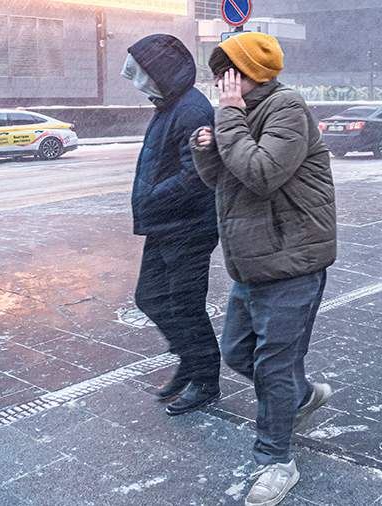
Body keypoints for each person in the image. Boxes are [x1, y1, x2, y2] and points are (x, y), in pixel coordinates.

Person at [190, 33, 337, 506]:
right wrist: (206, 149)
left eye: (228, 71)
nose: (220, 81)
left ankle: (276, 460)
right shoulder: (243, 115)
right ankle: (299, 398)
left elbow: (261, 174)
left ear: (252, 74)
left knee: (273, 366)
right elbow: (224, 180)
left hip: (292, 260)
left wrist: (228, 118)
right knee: (237, 353)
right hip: (252, 262)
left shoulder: (287, 109)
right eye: (218, 71)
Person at [122, 34, 221, 416]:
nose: (139, 82)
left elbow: (195, 175)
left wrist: (152, 197)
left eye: (143, 72)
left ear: (161, 72)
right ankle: (189, 360)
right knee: (149, 297)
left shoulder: (192, 110)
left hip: (190, 227)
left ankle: (205, 381)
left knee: (186, 305)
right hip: (166, 225)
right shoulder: (168, 106)